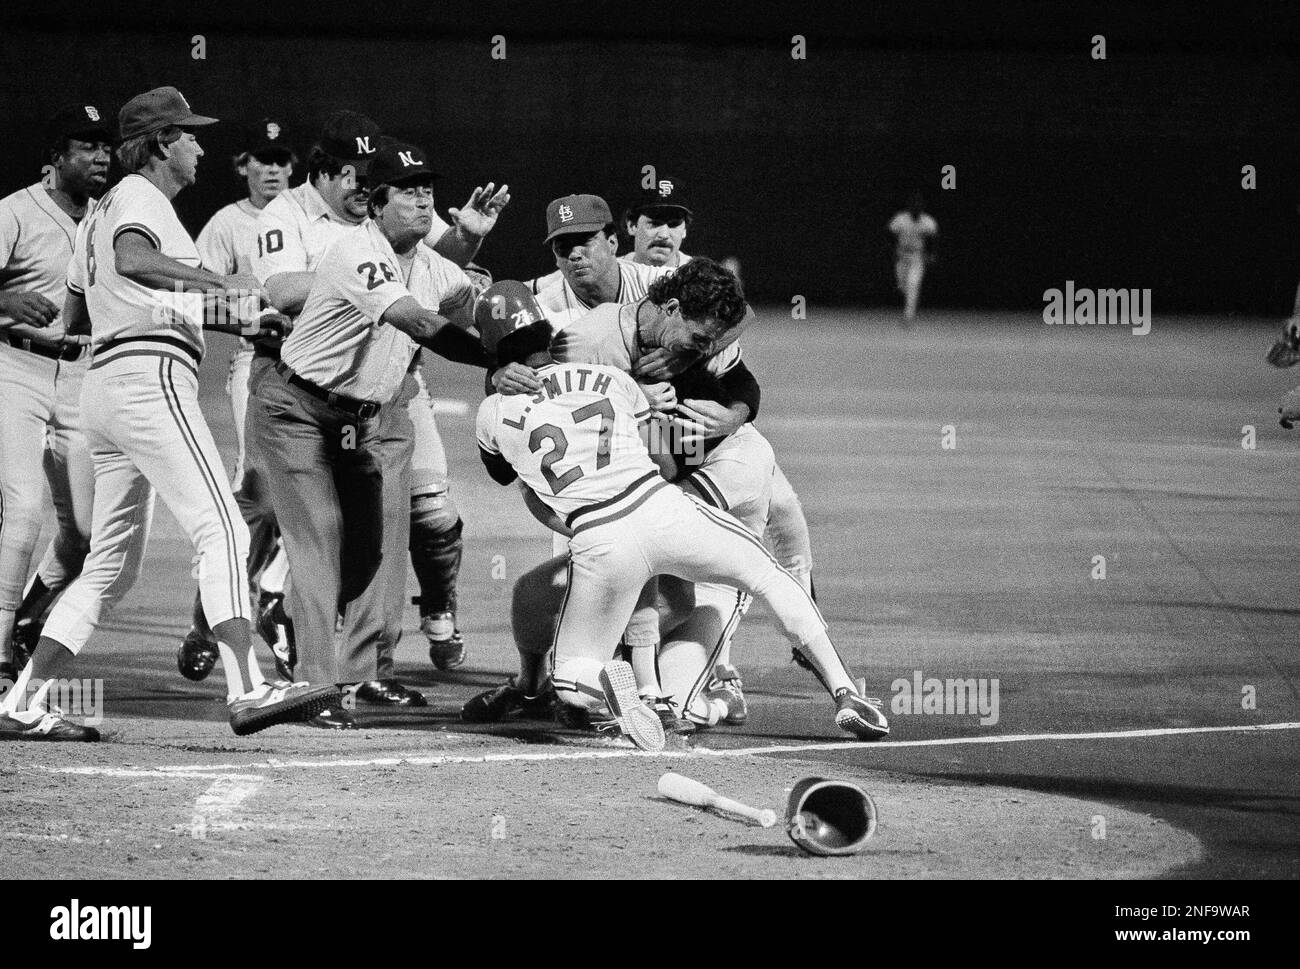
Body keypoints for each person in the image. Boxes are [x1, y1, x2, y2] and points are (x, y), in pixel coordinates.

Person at [0, 86, 339, 740]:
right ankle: (248, 687)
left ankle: (22, 699)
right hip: (150, 379)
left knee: (109, 566)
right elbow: (134, 261)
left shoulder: (99, 213)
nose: (199, 145)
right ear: (160, 144)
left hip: (108, 385)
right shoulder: (138, 198)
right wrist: (218, 285)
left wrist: (239, 312)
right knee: (225, 530)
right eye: (188, 134)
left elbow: (83, 308)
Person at [473, 288, 889, 751]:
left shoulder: (492, 411)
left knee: (569, 675)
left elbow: (507, 476)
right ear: (546, 333)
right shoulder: (610, 377)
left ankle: (614, 681)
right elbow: (666, 464)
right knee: (768, 576)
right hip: (659, 505)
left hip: (598, 535)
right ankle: (845, 690)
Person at [250, 140, 533, 729]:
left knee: (371, 551)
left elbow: (468, 306)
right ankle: (316, 687)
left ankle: (354, 677)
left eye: (428, 188)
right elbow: (424, 323)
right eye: (408, 190)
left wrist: (516, 331)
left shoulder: (430, 264)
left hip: (361, 420)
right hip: (296, 411)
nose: (423, 198)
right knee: (320, 541)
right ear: (376, 203)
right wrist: (492, 364)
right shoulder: (358, 251)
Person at [177, 117, 296, 682]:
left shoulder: (306, 218)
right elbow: (190, 298)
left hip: (327, 372)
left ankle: (272, 600)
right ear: (242, 165)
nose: (272, 168)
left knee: (312, 499)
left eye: (281, 160)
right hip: (259, 362)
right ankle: (208, 620)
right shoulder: (227, 224)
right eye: (261, 158)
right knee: (259, 496)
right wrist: (250, 314)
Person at [0, 105, 113, 683]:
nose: (101, 156)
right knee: (21, 510)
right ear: (55, 157)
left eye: (105, 146)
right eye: (86, 146)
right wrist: (4, 304)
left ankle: (23, 622)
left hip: (81, 379)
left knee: (89, 534)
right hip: (14, 368)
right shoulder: (13, 212)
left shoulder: (107, 219)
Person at [620, 175, 693, 268]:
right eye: (655, 223)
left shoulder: (702, 278)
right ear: (632, 226)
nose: (664, 235)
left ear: (684, 230)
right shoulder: (611, 275)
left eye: (673, 225)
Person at [888, 192, 938, 321]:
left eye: (918, 206)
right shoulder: (900, 219)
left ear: (922, 208)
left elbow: (933, 239)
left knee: (913, 284)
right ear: (909, 207)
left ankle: (908, 315)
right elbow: (891, 235)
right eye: (913, 205)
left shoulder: (928, 221)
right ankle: (909, 303)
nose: (916, 207)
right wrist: (892, 251)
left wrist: (931, 254)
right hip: (901, 255)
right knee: (902, 285)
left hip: (917, 256)